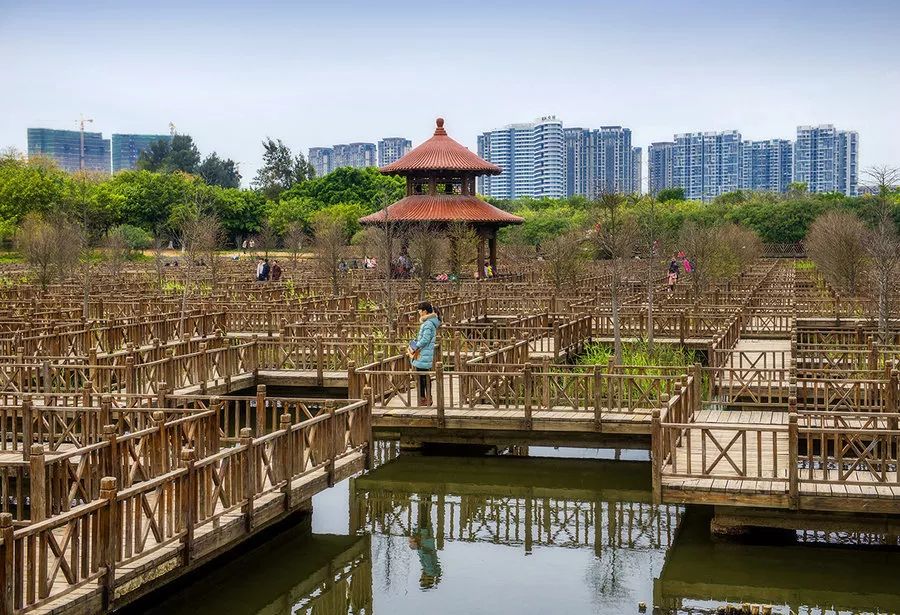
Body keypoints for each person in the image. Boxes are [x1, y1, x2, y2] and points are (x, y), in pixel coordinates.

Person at [407, 302, 441, 406]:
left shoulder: (428, 324)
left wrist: (415, 346)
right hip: (424, 352)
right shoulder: (429, 323)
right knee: (423, 376)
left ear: (425, 311)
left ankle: (424, 399)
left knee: (422, 376)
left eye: (419, 310)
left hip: (423, 353)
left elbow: (425, 339)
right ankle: (425, 398)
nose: (419, 312)